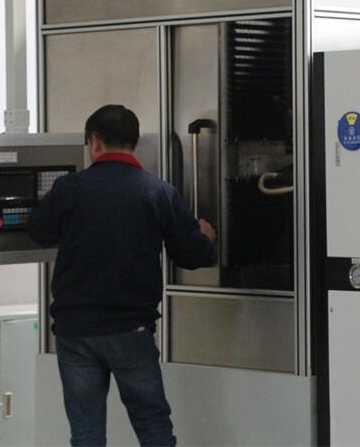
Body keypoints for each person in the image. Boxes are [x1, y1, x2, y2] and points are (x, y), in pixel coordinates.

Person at [27, 104, 217, 447]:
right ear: (135, 142)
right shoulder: (158, 192)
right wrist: (205, 237)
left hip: (76, 332)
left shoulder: (69, 188)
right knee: (153, 426)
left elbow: (38, 232)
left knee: (86, 432)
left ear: (95, 142)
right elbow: (192, 256)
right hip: (131, 330)